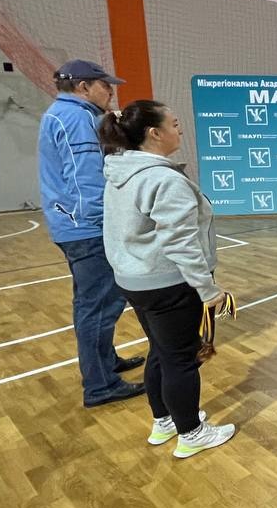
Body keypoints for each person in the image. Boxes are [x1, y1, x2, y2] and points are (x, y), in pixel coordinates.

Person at [98, 100, 235, 458]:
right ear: (154, 133)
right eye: (174, 124)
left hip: (135, 280)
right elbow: (181, 243)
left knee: (160, 351)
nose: (180, 129)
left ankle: (166, 421)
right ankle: (192, 433)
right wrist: (207, 289)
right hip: (169, 284)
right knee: (181, 360)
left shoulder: (120, 171)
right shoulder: (163, 179)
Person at [37, 59, 145, 408]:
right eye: (104, 85)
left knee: (93, 302)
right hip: (86, 228)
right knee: (98, 305)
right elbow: (85, 180)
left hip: (73, 226)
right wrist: (109, 223)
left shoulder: (66, 114)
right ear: (83, 87)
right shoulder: (75, 118)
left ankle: (106, 363)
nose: (110, 91)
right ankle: (100, 385)